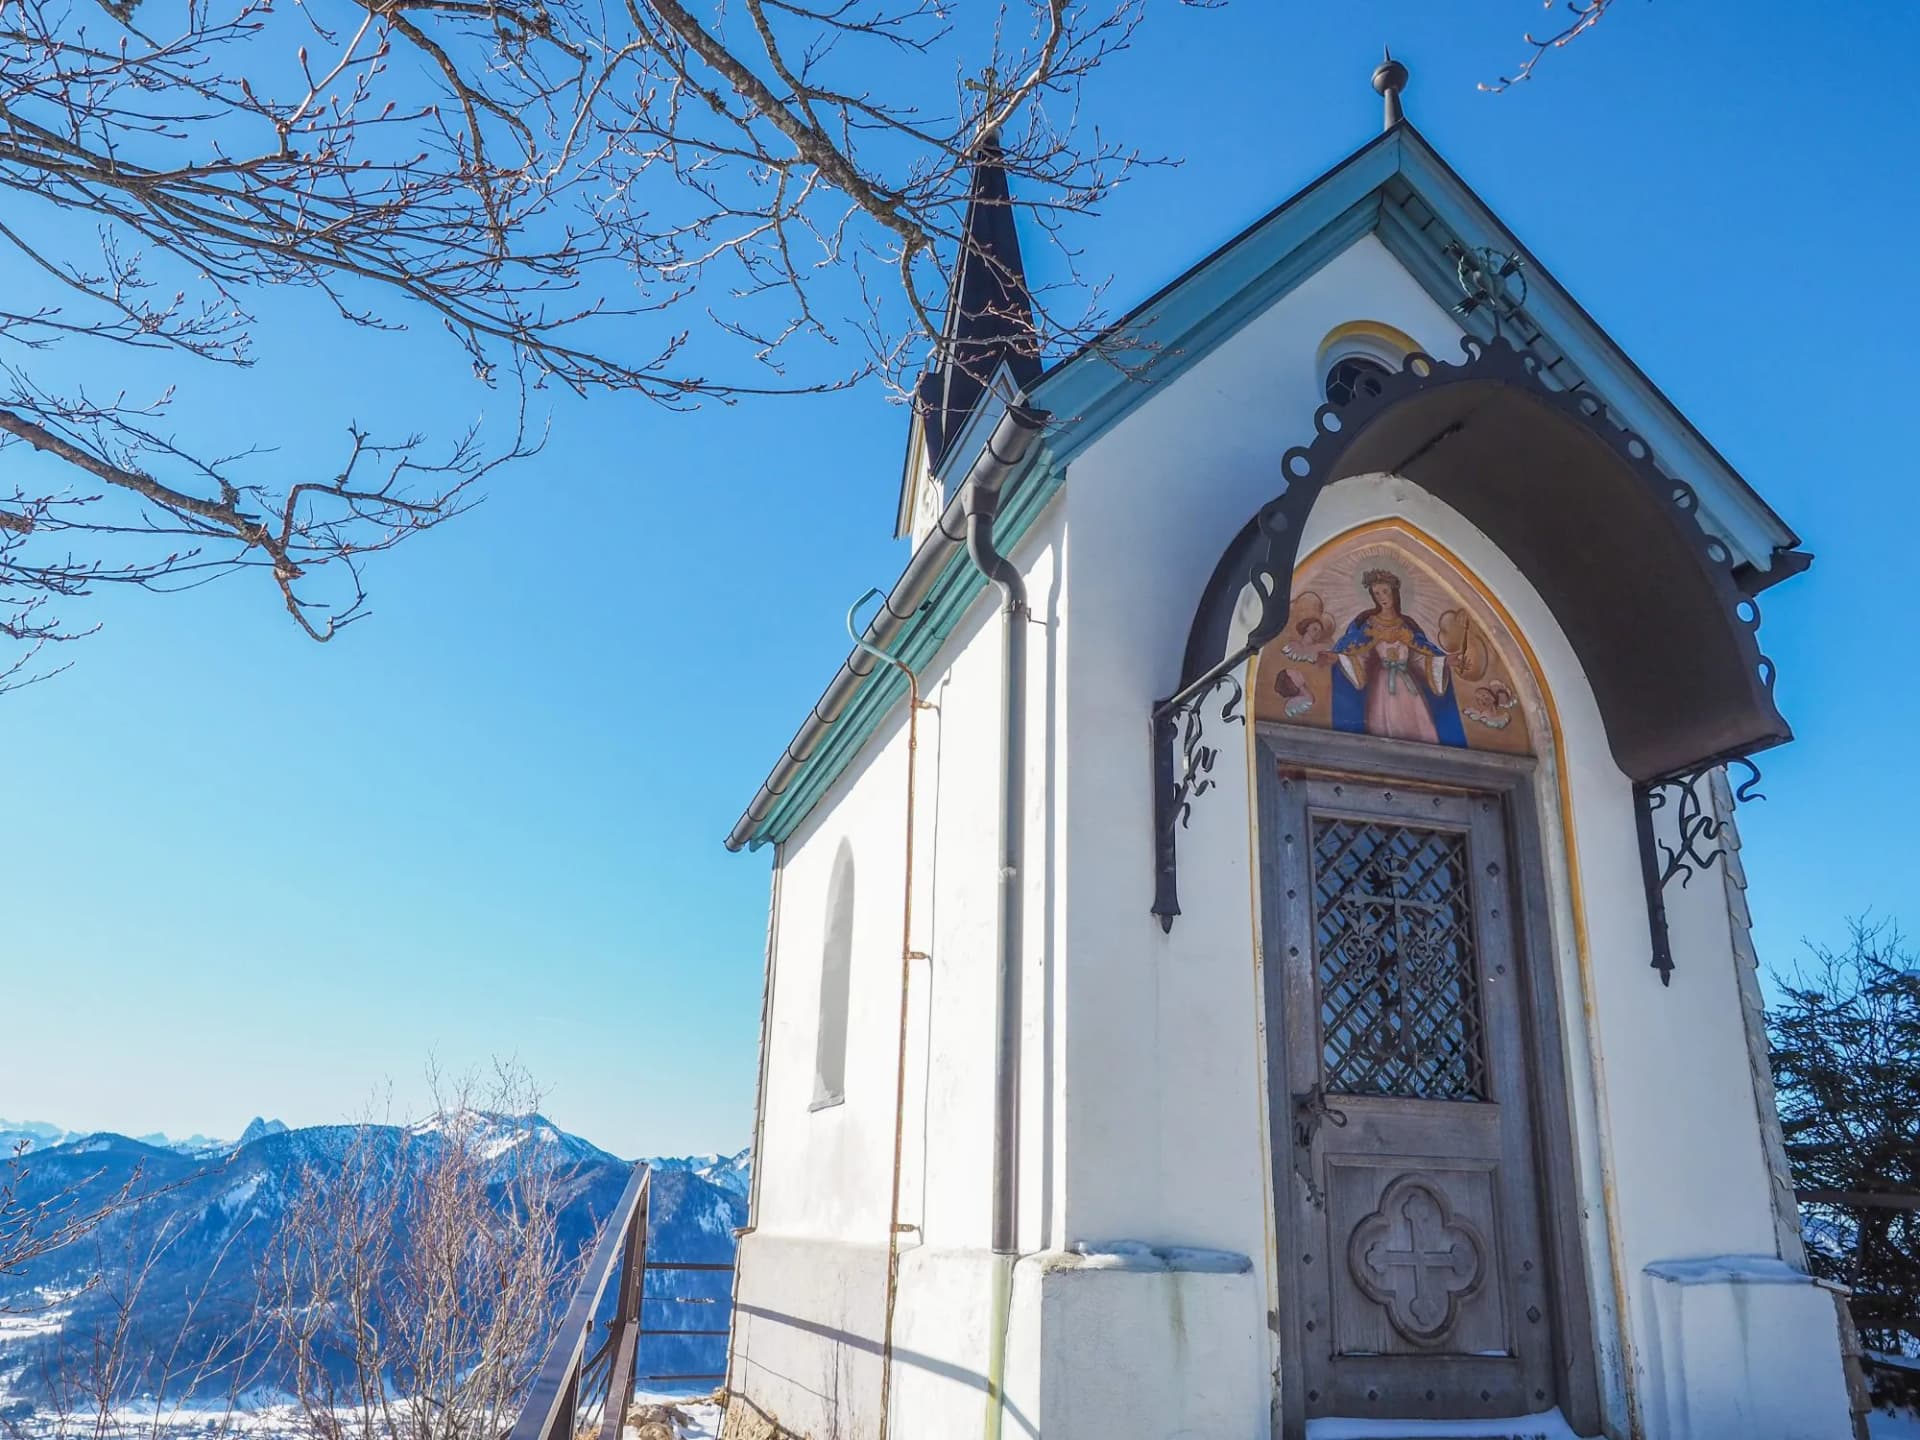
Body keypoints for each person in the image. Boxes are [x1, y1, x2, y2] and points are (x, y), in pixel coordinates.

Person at [1328, 568, 1467, 746]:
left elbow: (1420, 657)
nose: (1381, 597)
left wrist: (1445, 660)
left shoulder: (1407, 625)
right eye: (1376, 593)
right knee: (1384, 726)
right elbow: (1356, 653)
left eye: (1385, 591)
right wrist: (1339, 659)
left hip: (1407, 685)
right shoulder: (1367, 624)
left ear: (1394, 593)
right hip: (1382, 684)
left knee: (1417, 727)